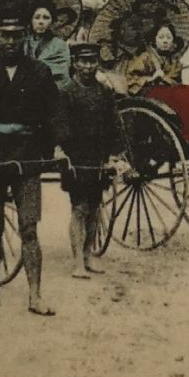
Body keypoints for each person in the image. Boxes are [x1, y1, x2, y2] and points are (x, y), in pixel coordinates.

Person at [0, 8, 63, 315]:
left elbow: (54, 112)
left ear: (25, 37)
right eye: (5, 35)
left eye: (17, 35)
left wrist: (57, 147)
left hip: (27, 155)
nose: (11, 41)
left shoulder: (39, 72)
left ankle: (35, 295)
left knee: (29, 227)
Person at [58, 43, 119, 279]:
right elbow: (60, 126)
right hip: (76, 158)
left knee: (95, 208)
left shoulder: (104, 92)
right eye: (83, 61)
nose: (88, 66)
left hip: (98, 156)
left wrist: (114, 154)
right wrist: (61, 151)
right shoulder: (66, 92)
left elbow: (114, 124)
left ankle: (88, 255)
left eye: (92, 61)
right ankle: (77, 263)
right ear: (74, 63)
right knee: (79, 208)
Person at [24, 2, 72, 89]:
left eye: (46, 18)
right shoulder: (24, 43)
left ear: (52, 21)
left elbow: (62, 74)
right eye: (37, 17)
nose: (41, 22)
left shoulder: (60, 45)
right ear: (31, 20)